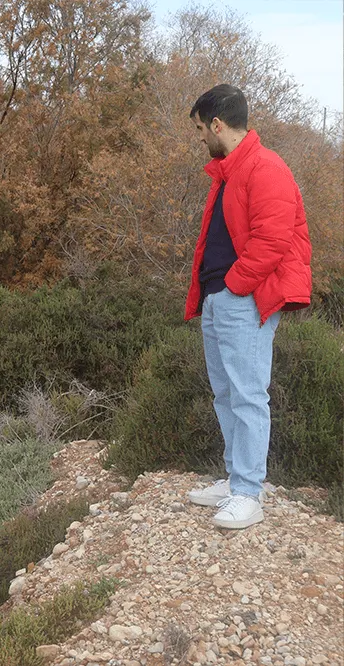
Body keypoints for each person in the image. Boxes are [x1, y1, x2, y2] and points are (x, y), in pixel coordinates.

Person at [183, 84, 312, 529]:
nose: (201, 138)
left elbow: (273, 241)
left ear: (217, 124)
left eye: (201, 129)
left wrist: (236, 287)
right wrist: (215, 292)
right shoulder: (229, 171)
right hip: (220, 298)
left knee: (248, 395)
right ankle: (236, 476)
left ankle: (248, 493)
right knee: (226, 393)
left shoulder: (266, 166)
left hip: (244, 298)